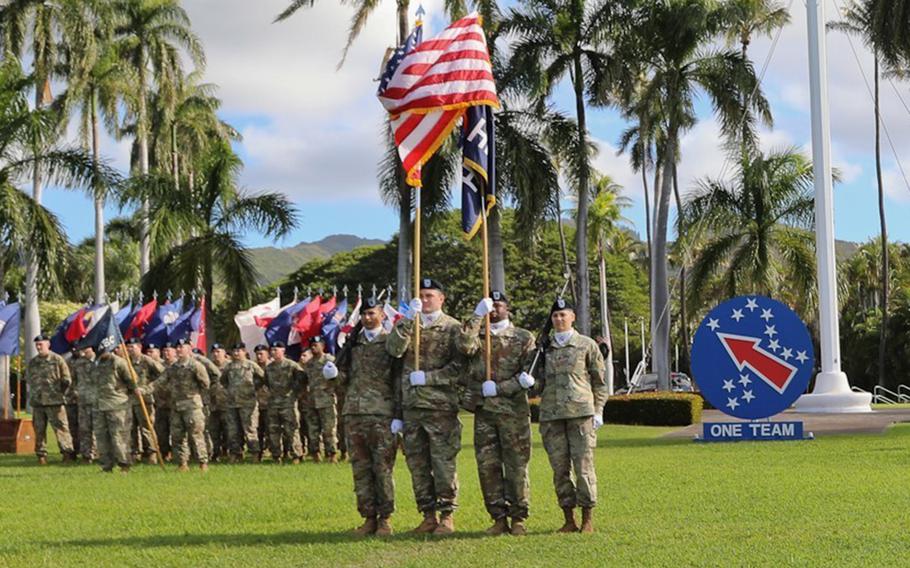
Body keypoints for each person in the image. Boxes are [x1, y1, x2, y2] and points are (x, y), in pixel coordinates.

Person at [386, 278, 463, 535]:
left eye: (430, 295)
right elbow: (394, 351)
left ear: (441, 299)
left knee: (443, 463)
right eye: (421, 295)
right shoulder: (408, 325)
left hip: (440, 407)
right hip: (411, 406)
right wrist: (408, 319)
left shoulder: (453, 328)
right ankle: (427, 515)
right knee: (417, 464)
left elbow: (461, 367)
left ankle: (447, 516)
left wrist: (430, 378)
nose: (426, 300)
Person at [457, 290, 535, 536]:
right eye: (490, 306)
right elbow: (463, 346)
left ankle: (518, 517)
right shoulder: (478, 336)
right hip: (484, 413)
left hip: (513, 412)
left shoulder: (523, 337)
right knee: (487, 467)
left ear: (508, 308)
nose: (494, 310)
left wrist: (500, 388)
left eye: (498, 305)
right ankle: (498, 517)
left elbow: (527, 375)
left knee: (516, 467)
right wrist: (476, 316)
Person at [535, 298, 607, 533]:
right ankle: (568, 518)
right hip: (552, 416)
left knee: (584, 467)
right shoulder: (543, 348)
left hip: (581, 415)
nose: (559, 319)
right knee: (559, 469)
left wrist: (598, 411)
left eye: (563, 315)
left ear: (573, 317)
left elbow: (600, 382)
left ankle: (587, 518)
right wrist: (530, 380)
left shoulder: (586, 345)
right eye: (555, 316)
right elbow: (537, 381)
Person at [336, 297, 400, 536]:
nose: (367, 318)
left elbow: (398, 379)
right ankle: (368, 518)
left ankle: (385, 519)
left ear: (382, 315)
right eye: (364, 314)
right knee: (361, 469)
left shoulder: (390, 343)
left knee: (382, 468)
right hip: (354, 412)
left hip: (382, 413)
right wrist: (333, 375)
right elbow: (344, 381)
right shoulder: (353, 345)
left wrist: (398, 414)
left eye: (372, 313)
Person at [146, 338, 211, 472]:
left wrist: (198, 399)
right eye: (178, 347)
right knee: (177, 436)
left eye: (182, 347)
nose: (179, 349)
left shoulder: (195, 366)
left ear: (189, 349)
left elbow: (205, 384)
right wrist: (143, 390)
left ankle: (202, 463)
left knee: (196, 435)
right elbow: (160, 382)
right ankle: (182, 463)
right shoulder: (172, 368)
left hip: (192, 407)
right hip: (175, 407)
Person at [24, 334, 76, 464]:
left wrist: (59, 393)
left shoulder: (57, 360)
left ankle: (67, 453)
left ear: (48, 344)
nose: (38, 347)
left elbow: (66, 379)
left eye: (41, 344)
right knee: (39, 430)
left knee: (61, 429)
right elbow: (29, 379)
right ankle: (41, 455)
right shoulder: (33, 362)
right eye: (37, 345)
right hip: (38, 402)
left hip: (55, 401)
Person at [91, 348, 135, 473]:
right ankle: (106, 466)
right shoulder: (95, 363)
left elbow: (132, 382)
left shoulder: (119, 362)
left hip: (117, 406)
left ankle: (124, 465)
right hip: (99, 405)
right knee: (101, 437)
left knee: (119, 437)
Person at [221, 342, 265, 462]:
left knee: (250, 430)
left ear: (244, 352)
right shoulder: (229, 367)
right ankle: (236, 454)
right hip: (232, 403)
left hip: (248, 403)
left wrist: (253, 389)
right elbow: (223, 381)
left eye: (239, 351)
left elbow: (263, 378)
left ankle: (255, 454)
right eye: (234, 351)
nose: (236, 353)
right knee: (233, 430)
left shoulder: (251, 365)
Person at [263, 341, 304, 464]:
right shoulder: (269, 368)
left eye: (276, 350)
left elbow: (302, 380)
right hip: (273, 403)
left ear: (283, 351)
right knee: (273, 430)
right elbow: (266, 383)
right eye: (272, 350)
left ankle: (296, 455)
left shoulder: (292, 366)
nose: (273, 352)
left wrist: (295, 395)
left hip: (288, 403)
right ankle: (276, 455)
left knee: (291, 429)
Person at [125, 337, 164, 464]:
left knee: (147, 428)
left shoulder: (147, 361)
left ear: (139, 347)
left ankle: (152, 453)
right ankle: (134, 453)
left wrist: (148, 388)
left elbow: (162, 375)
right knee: (130, 428)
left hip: (144, 399)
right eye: (129, 347)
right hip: (129, 400)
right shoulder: (126, 362)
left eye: (133, 347)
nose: (130, 350)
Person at [302, 336, 339, 463]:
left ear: (323, 346)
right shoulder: (309, 364)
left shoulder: (330, 360)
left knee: (329, 429)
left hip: (326, 400)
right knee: (313, 430)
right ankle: (316, 453)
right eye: (311, 346)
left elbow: (338, 379)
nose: (313, 348)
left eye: (316, 345)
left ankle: (332, 453)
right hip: (312, 401)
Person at [193, 347, 222, 462]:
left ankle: (211, 453)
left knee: (207, 429)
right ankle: (198, 454)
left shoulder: (205, 368)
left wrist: (210, 389)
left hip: (206, 402)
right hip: (195, 402)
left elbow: (217, 374)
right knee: (199, 429)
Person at [71, 345, 97, 463]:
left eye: (86, 347)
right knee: (84, 429)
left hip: (98, 401)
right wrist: (75, 392)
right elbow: (73, 380)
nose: (83, 350)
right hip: (83, 401)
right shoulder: (78, 363)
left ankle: (101, 454)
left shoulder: (100, 361)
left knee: (100, 429)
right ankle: (87, 455)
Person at [152, 342, 175, 462]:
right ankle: (165, 453)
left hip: (175, 404)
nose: (167, 353)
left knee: (176, 432)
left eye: (169, 350)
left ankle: (178, 455)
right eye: (165, 351)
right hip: (161, 404)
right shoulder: (157, 365)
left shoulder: (178, 365)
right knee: (161, 432)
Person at [208, 343, 230, 461]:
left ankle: (227, 451)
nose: (216, 354)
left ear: (224, 353)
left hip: (227, 404)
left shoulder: (230, 366)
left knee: (228, 430)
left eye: (219, 351)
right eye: (214, 352)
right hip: (213, 404)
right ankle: (215, 453)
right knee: (213, 431)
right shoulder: (208, 367)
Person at [253, 344, 273, 460]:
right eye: (257, 354)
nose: (259, 356)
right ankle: (259, 453)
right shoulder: (253, 367)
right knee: (258, 430)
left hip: (271, 404)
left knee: (272, 430)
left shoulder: (272, 367)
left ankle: (276, 452)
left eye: (261, 354)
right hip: (257, 404)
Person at [64, 349, 80, 457]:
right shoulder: (67, 362)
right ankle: (72, 451)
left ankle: (88, 452)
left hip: (84, 399)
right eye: (72, 348)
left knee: (86, 428)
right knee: (71, 427)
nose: (74, 350)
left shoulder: (86, 362)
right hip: (70, 399)